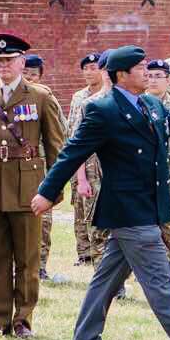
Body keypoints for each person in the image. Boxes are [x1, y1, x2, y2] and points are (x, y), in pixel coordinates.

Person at [33, 45, 170, 340]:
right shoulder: (102, 110)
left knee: (107, 278)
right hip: (129, 209)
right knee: (159, 278)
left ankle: (86, 338)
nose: (147, 73)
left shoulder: (150, 105)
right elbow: (72, 152)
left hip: (149, 204)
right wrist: (47, 192)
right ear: (122, 75)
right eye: (141, 68)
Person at [0, 33, 67, 338]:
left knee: (27, 259)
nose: (4, 65)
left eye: (9, 60)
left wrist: (53, 190)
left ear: (22, 62)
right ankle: (0, 320)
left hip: (27, 189)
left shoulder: (40, 96)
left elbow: (55, 148)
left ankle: (22, 320)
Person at [67, 52, 110, 266]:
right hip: (82, 160)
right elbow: (73, 133)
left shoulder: (107, 98)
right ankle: (84, 253)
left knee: (98, 207)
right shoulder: (79, 98)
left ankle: (99, 253)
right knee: (80, 208)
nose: (90, 72)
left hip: (101, 162)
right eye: (86, 68)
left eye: (95, 67)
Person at [145, 59, 170, 266]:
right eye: (149, 75)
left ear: (168, 80)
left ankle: (169, 267)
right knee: (147, 221)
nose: (153, 80)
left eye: (158, 76)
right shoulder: (139, 104)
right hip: (146, 170)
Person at [22, 52, 54, 275]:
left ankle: (40, 265)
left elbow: (56, 138)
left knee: (42, 220)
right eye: (25, 73)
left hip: (40, 168)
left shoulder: (45, 98)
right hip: (15, 169)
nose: (29, 78)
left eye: (33, 75)